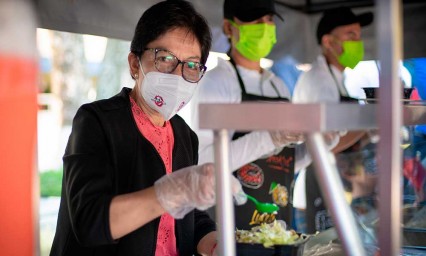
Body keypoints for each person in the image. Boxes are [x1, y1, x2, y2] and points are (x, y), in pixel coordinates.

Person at [49, 1, 246, 256]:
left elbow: (190, 217)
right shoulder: (97, 121)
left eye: (192, 65)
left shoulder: (186, 135)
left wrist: (217, 241)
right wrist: (169, 193)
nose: (178, 75)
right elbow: (89, 222)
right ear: (134, 64)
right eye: (165, 58)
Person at [186, 0, 313, 231]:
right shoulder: (217, 82)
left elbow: (284, 164)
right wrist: (269, 138)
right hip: (228, 222)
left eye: (269, 20)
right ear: (228, 27)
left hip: (277, 222)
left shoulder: (279, 86)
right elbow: (204, 162)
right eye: (256, 21)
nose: (264, 27)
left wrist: (315, 147)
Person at [292, 6, 376, 234]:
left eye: (358, 35)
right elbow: (327, 144)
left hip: (334, 187)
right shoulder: (320, 81)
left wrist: (370, 132)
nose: (358, 42)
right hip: (315, 192)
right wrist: (371, 120)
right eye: (351, 36)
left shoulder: (337, 79)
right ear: (328, 42)